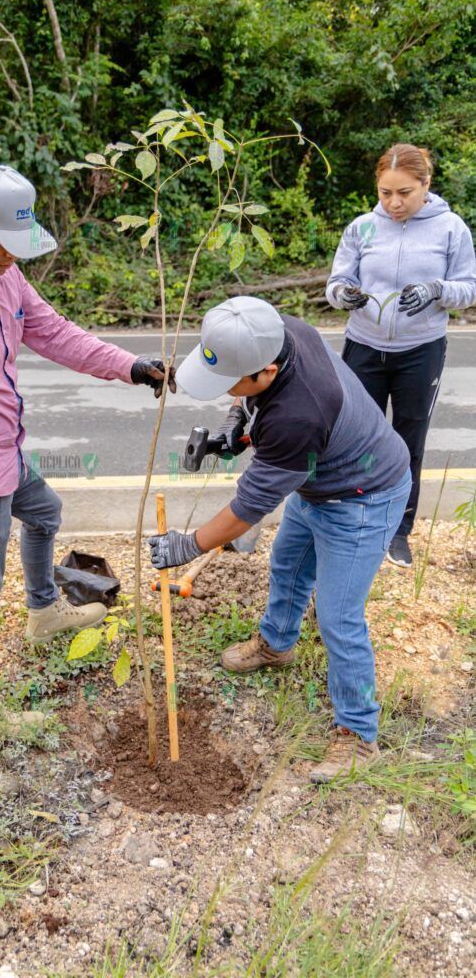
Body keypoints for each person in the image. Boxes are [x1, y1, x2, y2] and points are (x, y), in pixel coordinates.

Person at [0, 163, 175, 716]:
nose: (14, 256)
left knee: (45, 511)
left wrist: (130, 366)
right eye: (4, 244)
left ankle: (43, 612)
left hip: (3, 449)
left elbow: (53, 330)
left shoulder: (4, 275)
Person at [148, 297, 411, 784]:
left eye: (234, 383)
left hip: (362, 498)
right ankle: (276, 644)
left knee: (338, 616)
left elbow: (247, 509)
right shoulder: (273, 330)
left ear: (267, 371)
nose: (228, 387)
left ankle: (358, 734)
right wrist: (237, 420)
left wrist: (189, 545)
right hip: (317, 482)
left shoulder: (298, 416)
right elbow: (248, 388)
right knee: (287, 565)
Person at [327, 143, 476, 567]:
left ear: (426, 185)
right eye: (385, 192)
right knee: (353, 437)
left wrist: (437, 289)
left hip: (420, 351)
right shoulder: (362, 228)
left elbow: (469, 286)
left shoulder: (451, 228)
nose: (393, 203)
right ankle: (356, 517)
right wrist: (344, 295)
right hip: (364, 347)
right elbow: (337, 280)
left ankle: (398, 531)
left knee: (408, 442)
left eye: (405, 193)